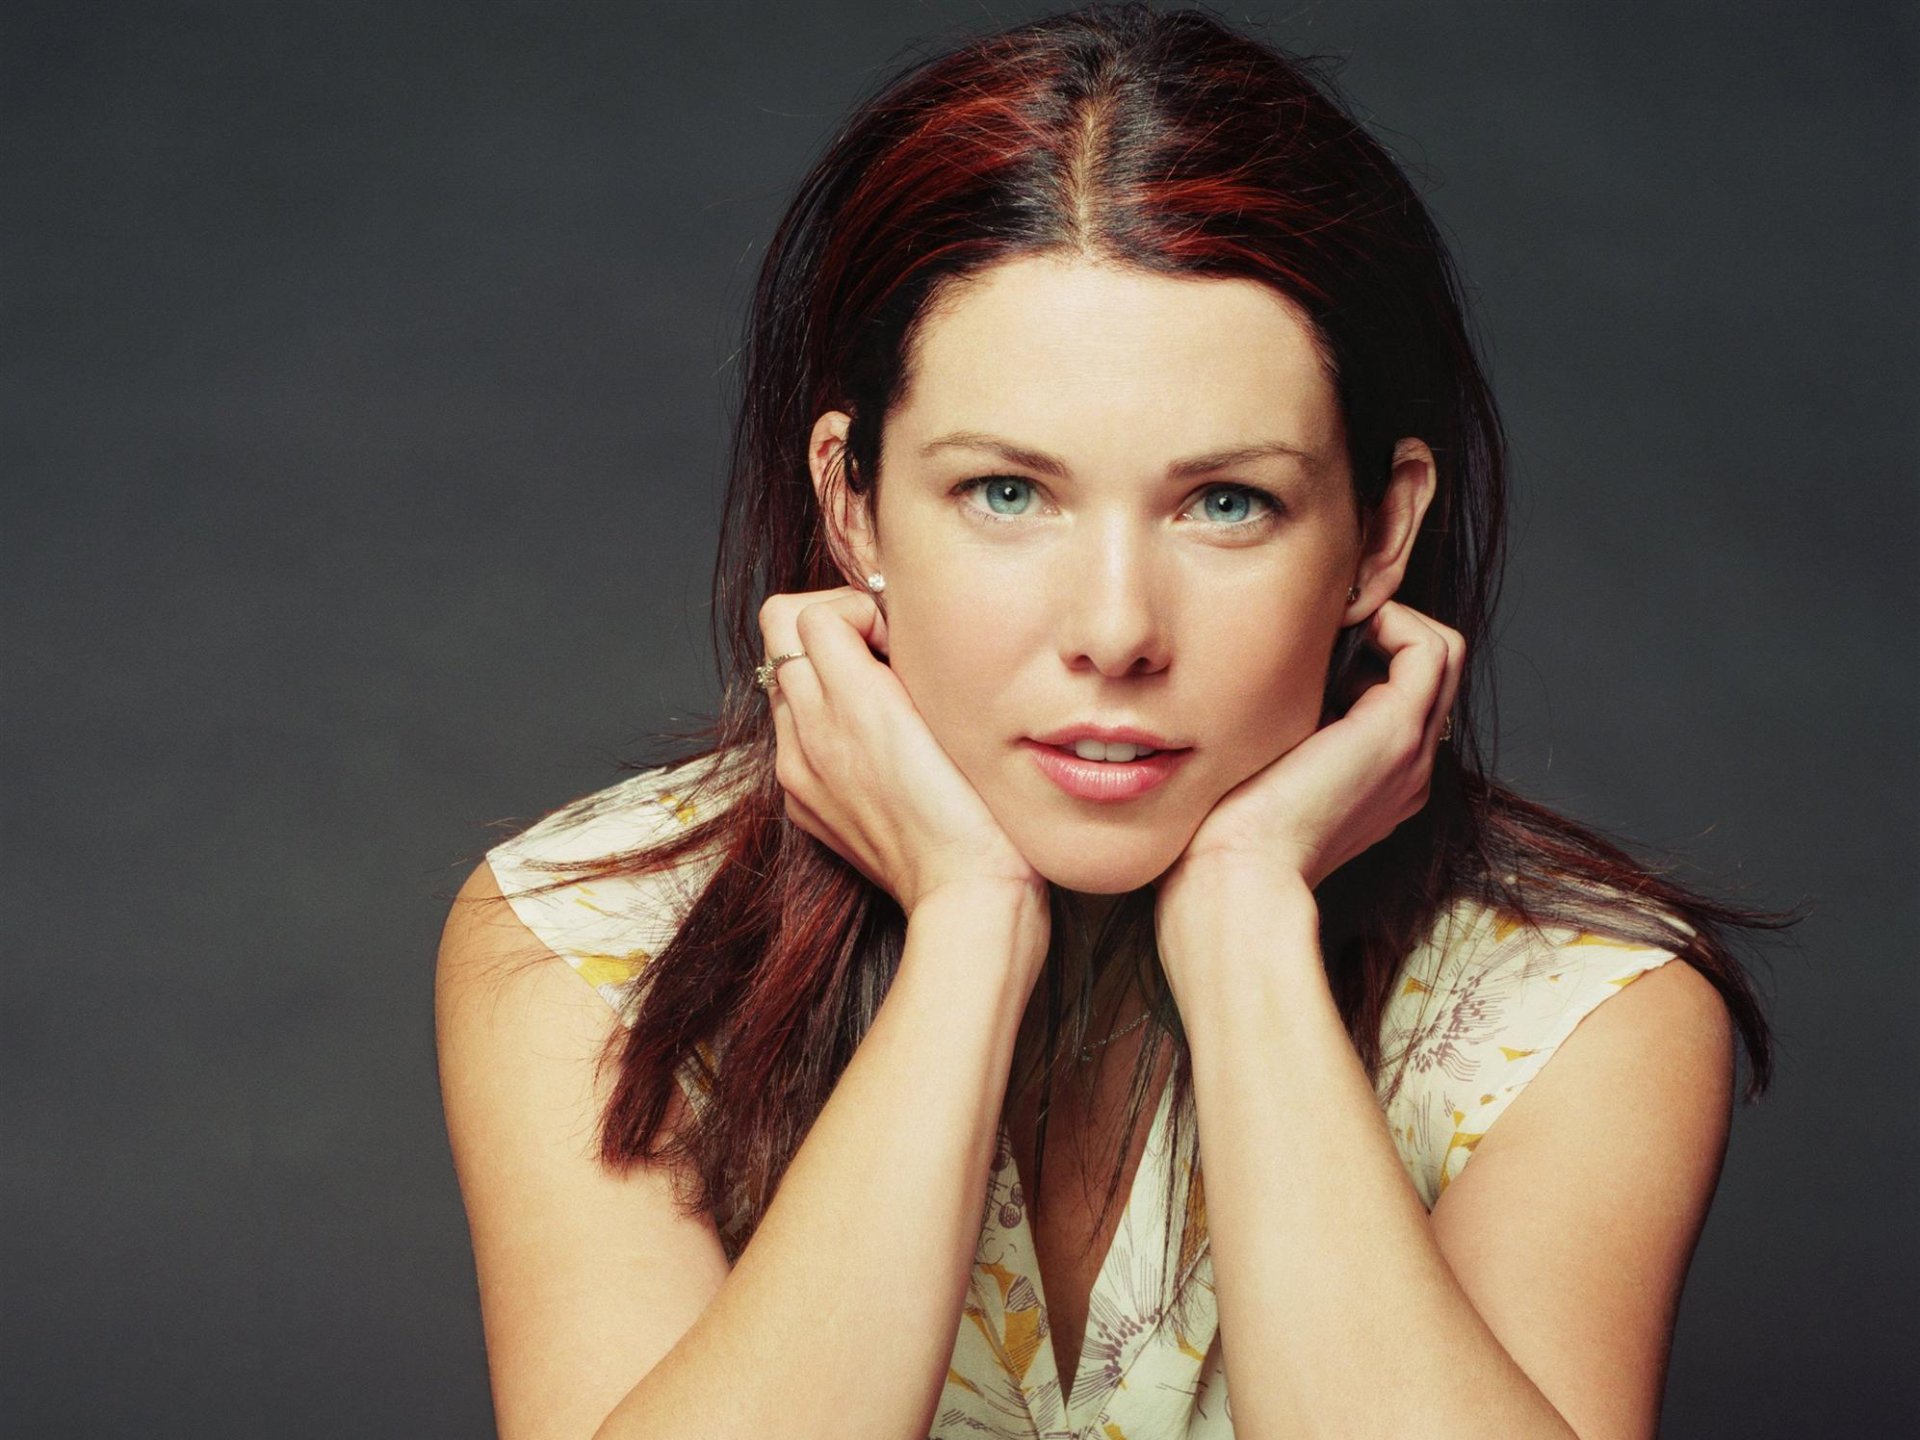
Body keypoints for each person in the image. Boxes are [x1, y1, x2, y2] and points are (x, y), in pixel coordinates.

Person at [435, 6, 1798, 1438]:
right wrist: (967, 929)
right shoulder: (592, 946)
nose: (1115, 629)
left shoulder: (1572, 1011)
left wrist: (1249, 930)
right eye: (1007, 494)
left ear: (1380, 537)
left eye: (1226, 502)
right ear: (853, 504)